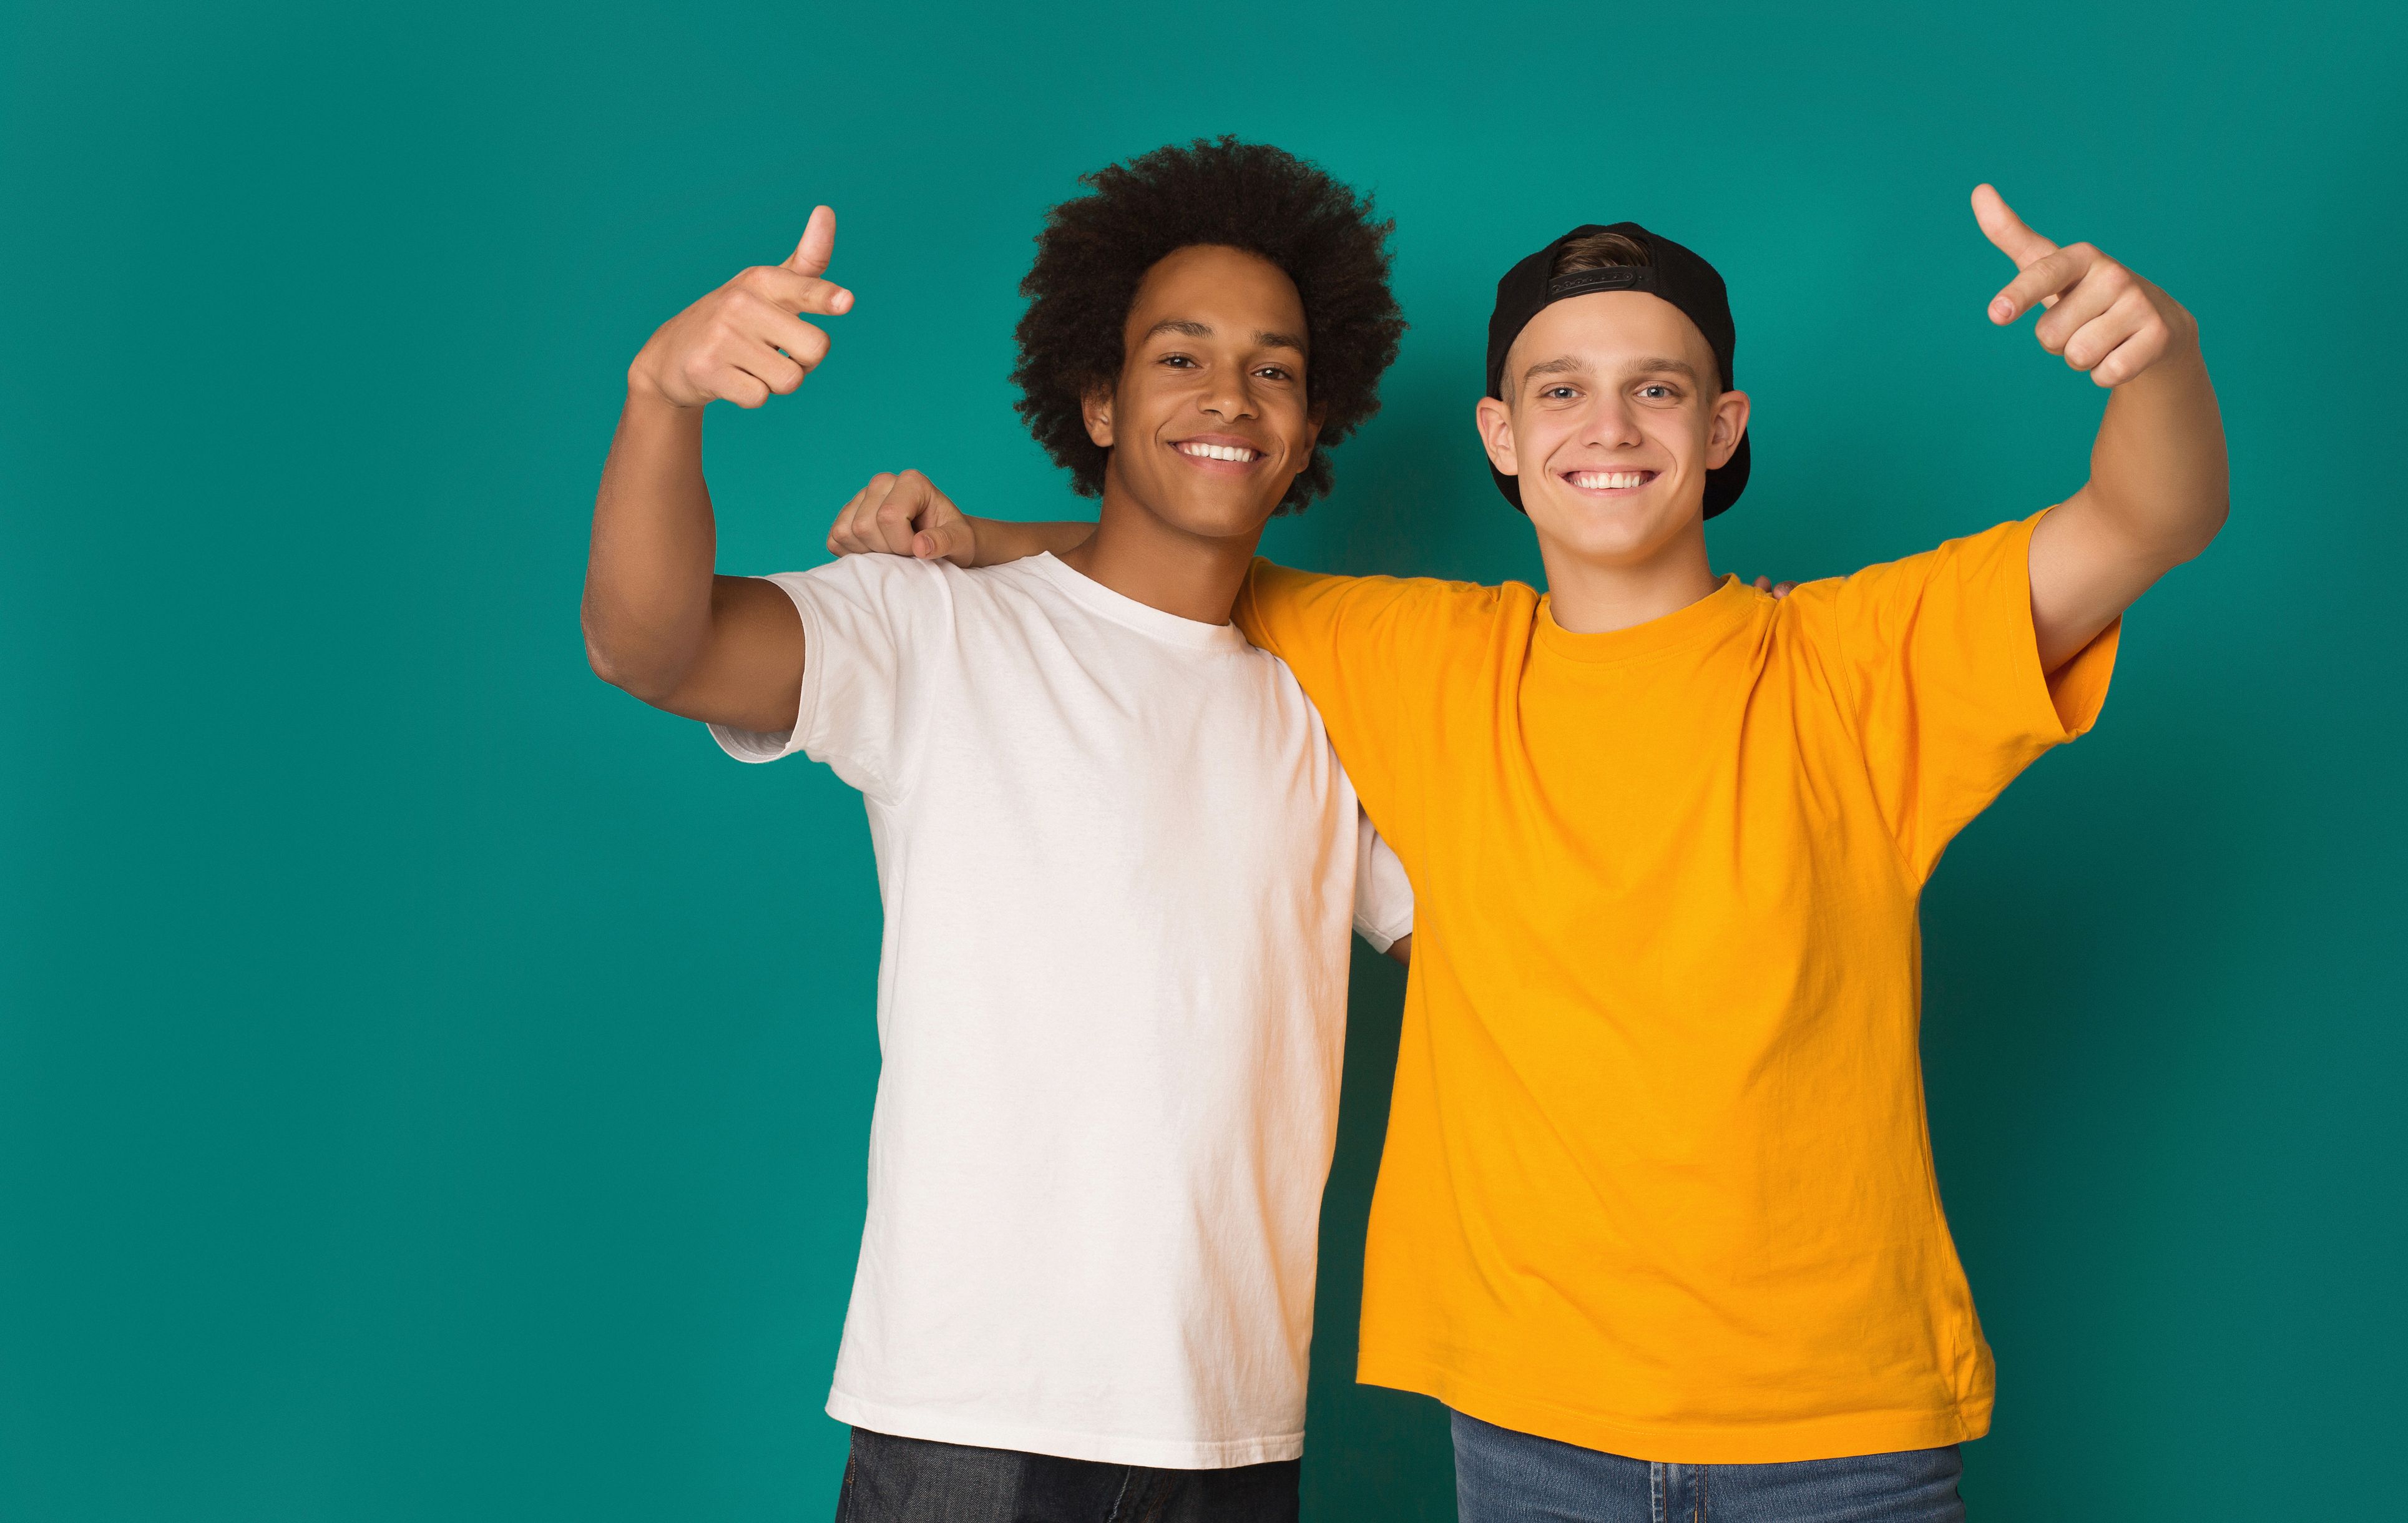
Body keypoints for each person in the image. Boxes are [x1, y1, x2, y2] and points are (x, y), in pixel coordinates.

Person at [832, 185, 2228, 1522]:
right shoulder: (1418, 655)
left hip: (1839, 1433)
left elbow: (2148, 518)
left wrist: (2151, 357)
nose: (1606, 424)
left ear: (1722, 423)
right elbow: (1181, 546)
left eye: (1657, 387)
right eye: (1559, 388)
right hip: (1529, 1436)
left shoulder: (1858, 661)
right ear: (1498, 433)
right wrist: (971, 537)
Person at [579, 137, 1417, 1523]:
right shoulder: (933, 626)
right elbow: (650, 647)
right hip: (964, 1419)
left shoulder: (1330, 712)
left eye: (1273, 368)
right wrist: (661, 397)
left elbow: (1487, 933)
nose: (1229, 394)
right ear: (1095, 395)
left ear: (1312, 424)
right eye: (1179, 356)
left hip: (1230, 1420)